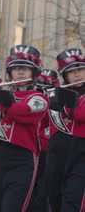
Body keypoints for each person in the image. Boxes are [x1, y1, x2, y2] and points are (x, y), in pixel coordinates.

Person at [0, 45, 49, 211]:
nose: (21, 72)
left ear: (34, 73)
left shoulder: (39, 97)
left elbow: (20, 112)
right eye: (16, 68)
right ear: (9, 72)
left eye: (25, 68)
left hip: (22, 160)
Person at [52, 48, 85, 211]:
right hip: (58, 155)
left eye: (80, 70)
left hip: (81, 154)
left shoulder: (65, 98)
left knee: (73, 200)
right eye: (71, 72)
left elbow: (81, 114)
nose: (77, 75)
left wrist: (65, 103)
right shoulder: (57, 95)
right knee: (54, 198)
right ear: (65, 77)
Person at [27, 69, 59, 212]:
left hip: (52, 151)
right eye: (40, 88)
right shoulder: (33, 99)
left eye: (47, 88)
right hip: (35, 150)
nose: (43, 91)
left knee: (45, 190)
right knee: (31, 188)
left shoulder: (58, 100)